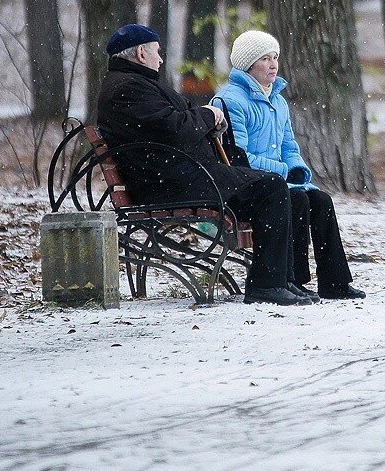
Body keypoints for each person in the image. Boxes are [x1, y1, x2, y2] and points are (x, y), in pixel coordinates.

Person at [96, 24, 313, 306]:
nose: (160, 59)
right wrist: (209, 115)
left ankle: (283, 281)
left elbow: (172, 124)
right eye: (157, 53)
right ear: (140, 53)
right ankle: (266, 285)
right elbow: (174, 128)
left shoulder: (133, 84)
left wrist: (205, 121)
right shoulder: (129, 88)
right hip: (170, 183)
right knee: (270, 186)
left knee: (289, 193)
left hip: (179, 175)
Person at [212, 30, 365, 300]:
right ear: (248, 64)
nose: (272, 65)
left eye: (275, 58)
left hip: (275, 183)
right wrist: (283, 171)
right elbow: (238, 157)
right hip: (245, 186)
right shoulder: (231, 100)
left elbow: (289, 145)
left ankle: (334, 282)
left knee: (320, 200)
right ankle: (293, 279)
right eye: (264, 59)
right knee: (297, 199)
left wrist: (296, 169)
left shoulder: (278, 101)